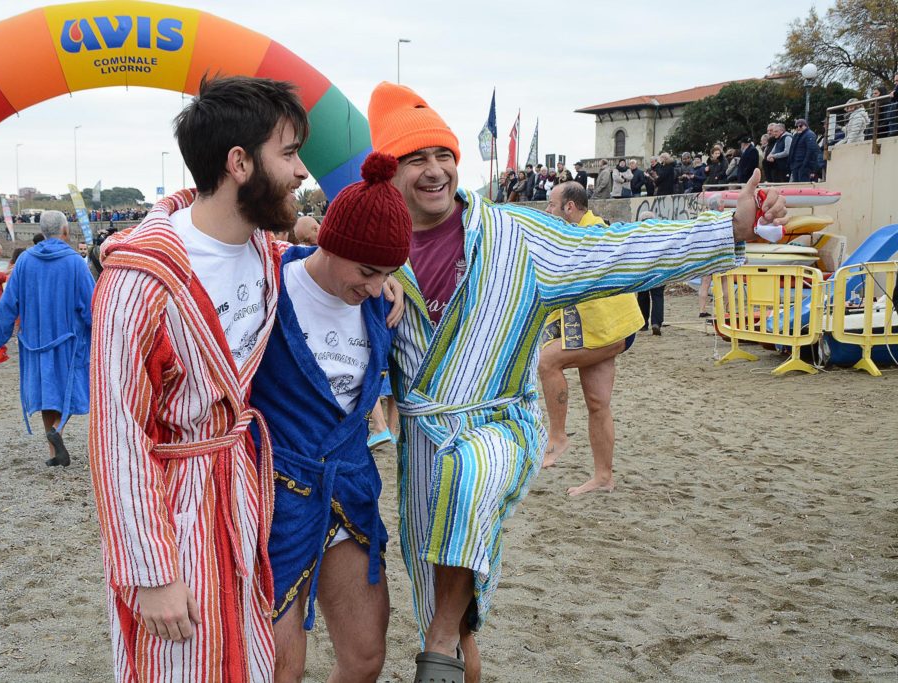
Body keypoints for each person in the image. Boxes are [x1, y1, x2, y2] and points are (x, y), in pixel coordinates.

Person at [365, 81, 789, 683]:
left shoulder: (517, 238)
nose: (435, 171)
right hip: (423, 445)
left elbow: (618, 250)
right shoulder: (375, 247)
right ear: (389, 171)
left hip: (495, 425)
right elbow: (311, 277)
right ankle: (446, 649)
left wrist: (727, 231)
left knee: (470, 481)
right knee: (450, 612)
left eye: (443, 155)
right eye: (415, 159)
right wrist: (372, 274)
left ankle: (436, 646)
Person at [88, 75, 310, 683]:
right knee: (176, 662)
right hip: (172, 510)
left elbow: (312, 259)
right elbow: (117, 434)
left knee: (245, 655)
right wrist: (151, 573)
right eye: (289, 154)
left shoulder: (263, 251)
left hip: (240, 490)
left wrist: (376, 276)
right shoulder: (141, 280)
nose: (301, 172)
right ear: (240, 163)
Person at [249, 152, 410, 683]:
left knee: (365, 655)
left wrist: (382, 277)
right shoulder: (267, 283)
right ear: (331, 242)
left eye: (387, 272)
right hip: (276, 497)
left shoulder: (379, 303)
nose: (375, 285)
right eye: (366, 270)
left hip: (349, 487)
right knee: (278, 665)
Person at [538, 182, 643, 494]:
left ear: (569, 207)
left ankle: (557, 436)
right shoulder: (581, 232)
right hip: (604, 326)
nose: (547, 210)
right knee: (598, 403)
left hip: (609, 327)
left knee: (547, 362)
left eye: (551, 204)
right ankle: (603, 477)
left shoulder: (591, 233)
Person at [0, 210, 93, 466]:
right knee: (73, 387)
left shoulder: (25, 261)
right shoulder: (75, 263)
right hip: (69, 341)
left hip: (35, 341)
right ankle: (57, 430)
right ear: (65, 231)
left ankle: (54, 453)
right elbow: (92, 306)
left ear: (42, 231)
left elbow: (8, 302)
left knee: (48, 393)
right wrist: (104, 333)